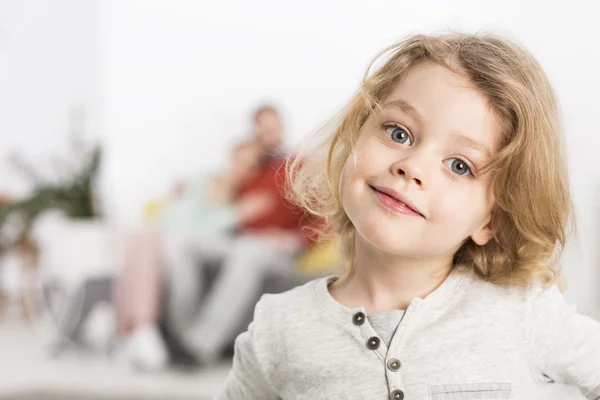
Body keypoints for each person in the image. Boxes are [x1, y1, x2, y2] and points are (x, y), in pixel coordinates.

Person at [218, 34, 600, 399]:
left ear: (491, 221)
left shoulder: (524, 312)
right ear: (354, 139)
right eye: (398, 133)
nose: (412, 166)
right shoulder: (278, 329)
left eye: (460, 165)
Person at [164, 105, 323, 365]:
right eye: (263, 127)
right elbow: (219, 199)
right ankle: (181, 334)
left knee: (249, 250)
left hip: (279, 248)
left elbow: (322, 218)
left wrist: (294, 239)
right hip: (238, 242)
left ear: (283, 127)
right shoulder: (250, 168)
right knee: (182, 243)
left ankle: (199, 344)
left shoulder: (299, 165)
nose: (269, 132)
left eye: (274, 126)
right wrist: (189, 187)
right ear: (255, 130)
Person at [116, 141, 270, 371]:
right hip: (172, 232)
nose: (243, 169)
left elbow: (209, 232)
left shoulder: (244, 196)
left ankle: (149, 332)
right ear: (231, 157)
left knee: (170, 244)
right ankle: (141, 329)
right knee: (141, 237)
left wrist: (236, 214)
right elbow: (178, 216)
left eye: (251, 167)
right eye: (241, 161)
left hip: (195, 241)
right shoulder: (200, 182)